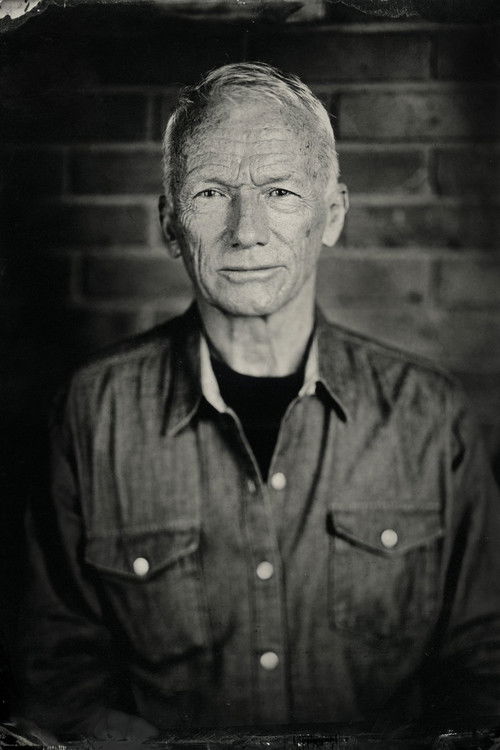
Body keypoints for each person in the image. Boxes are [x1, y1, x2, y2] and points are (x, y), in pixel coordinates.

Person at [17, 62, 500, 740]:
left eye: (280, 191)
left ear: (332, 216)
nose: (247, 230)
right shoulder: (92, 413)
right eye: (211, 192)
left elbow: (485, 669)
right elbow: (56, 682)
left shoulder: (429, 416)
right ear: (170, 223)